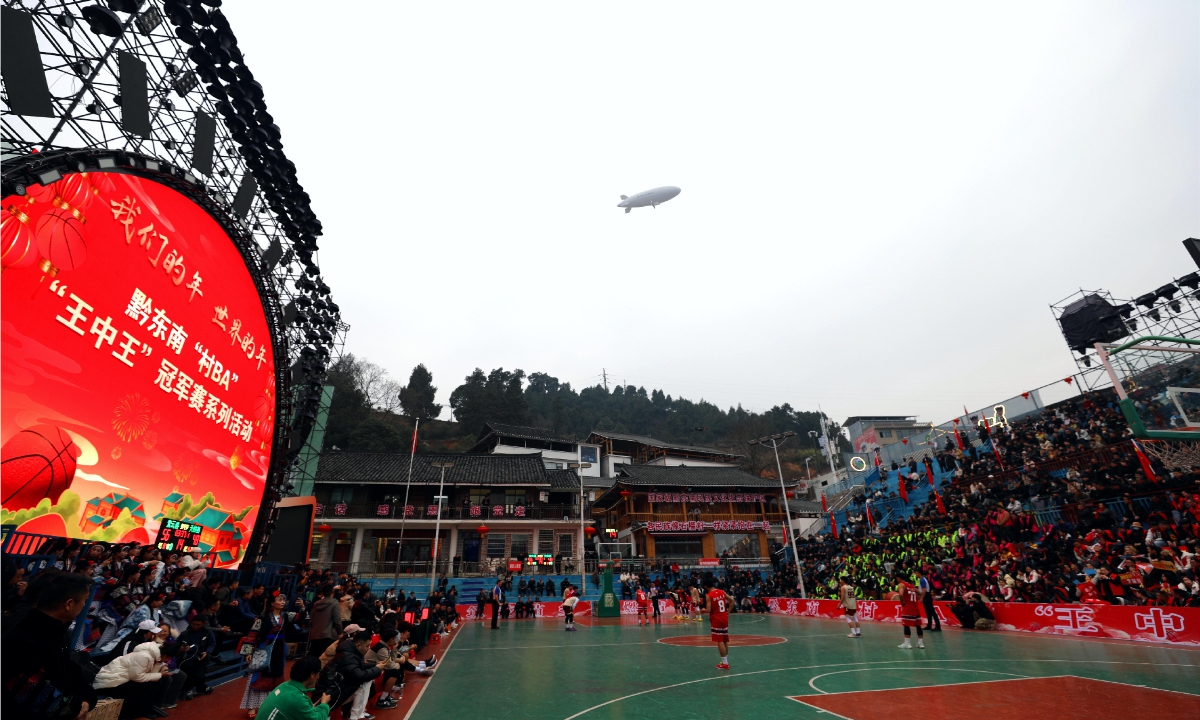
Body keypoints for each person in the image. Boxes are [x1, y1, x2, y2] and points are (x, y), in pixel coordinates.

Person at [1, 572, 98, 720]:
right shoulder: (24, 636)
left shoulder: (58, 632)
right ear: (69, 604)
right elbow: (29, 691)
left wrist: (86, 698)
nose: (85, 604)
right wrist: (75, 707)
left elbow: (68, 670)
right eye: (84, 600)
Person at [93, 638, 180, 719]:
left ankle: (145, 710)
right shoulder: (144, 656)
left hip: (121, 679)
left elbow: (150, 675)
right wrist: (160, 675)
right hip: (110, 682)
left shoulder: (154, 656)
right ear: (165, 655)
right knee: (146, 686)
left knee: (153, 682)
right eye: (168, 658)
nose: (167, 661)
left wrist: (160, 665)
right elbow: (137, 677)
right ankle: (138, 713)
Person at [241, 593, 289, 717]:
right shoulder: (262, 618)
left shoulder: (286, 616)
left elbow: (300, 618)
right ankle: (251, 706)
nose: (282, 602)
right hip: (264, 648)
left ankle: (268, 705)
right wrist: (248, 652)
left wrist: (303, 607)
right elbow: (253, 634)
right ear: (272, 603)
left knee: (276, 676)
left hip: (279, 650)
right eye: (279, 600)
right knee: (257, 675)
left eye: (284, 600)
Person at [254, 656, 331, 720]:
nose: (318, 676)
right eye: (319, 672)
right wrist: (324, 704)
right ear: (312, 674)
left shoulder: (285, 685)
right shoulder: (297, 698)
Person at [332, 632, 384, 720]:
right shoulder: (349, 656)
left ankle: (357, 714)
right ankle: (356, 716)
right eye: (367, 646)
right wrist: (377, 669)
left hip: (338, 688)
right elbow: (359, 676)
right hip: (333, 694)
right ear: (359, 645)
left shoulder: (350, 651)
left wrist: (375, 665)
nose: (368, 649)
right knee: (364, 683)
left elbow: (357, 668)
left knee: (364, 682)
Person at [178, 614, 216, 699]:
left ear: (203, 623)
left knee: (199, 675)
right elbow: (177, 644)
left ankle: (201, 688)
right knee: (188, 668)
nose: (195, 626)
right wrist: (181, 648)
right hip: (186, 657)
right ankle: (189, 689)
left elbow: (212, 644)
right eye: (193, 624)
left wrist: (207, 652)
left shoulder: (208, 632)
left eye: (198, 624)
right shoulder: (185, 632)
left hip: (200, 656)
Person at [701, 578, 731, 669]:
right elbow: (732, 601)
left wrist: (703, 611)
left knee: (720, 640)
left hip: (716, 618)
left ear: (705, 586)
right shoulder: (721, 591)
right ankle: (725, 661)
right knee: (725, 639)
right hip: (724, 617)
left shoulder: (709, 595)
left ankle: (725, 664)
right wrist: (728, 612)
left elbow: (709, 610)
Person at [307, 584, 343, 658]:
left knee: (314, 656)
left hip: (315, 634)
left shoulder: (316, 604)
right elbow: (337, 620)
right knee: (324, 657)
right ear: (332, 592)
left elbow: (312, 619)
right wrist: (340, 632)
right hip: (327, 635)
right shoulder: (334, 603)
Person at [897, 576, 925, 650]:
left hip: (908, 607)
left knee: (906, 625)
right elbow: (920, 593)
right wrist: (917, 599)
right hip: (915, 607)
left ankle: (907, 643)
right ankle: (920, 643)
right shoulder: (911, 586)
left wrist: (902, 602)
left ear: (898, 578)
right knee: (918, 625)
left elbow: (900, 594)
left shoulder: (901, 585)